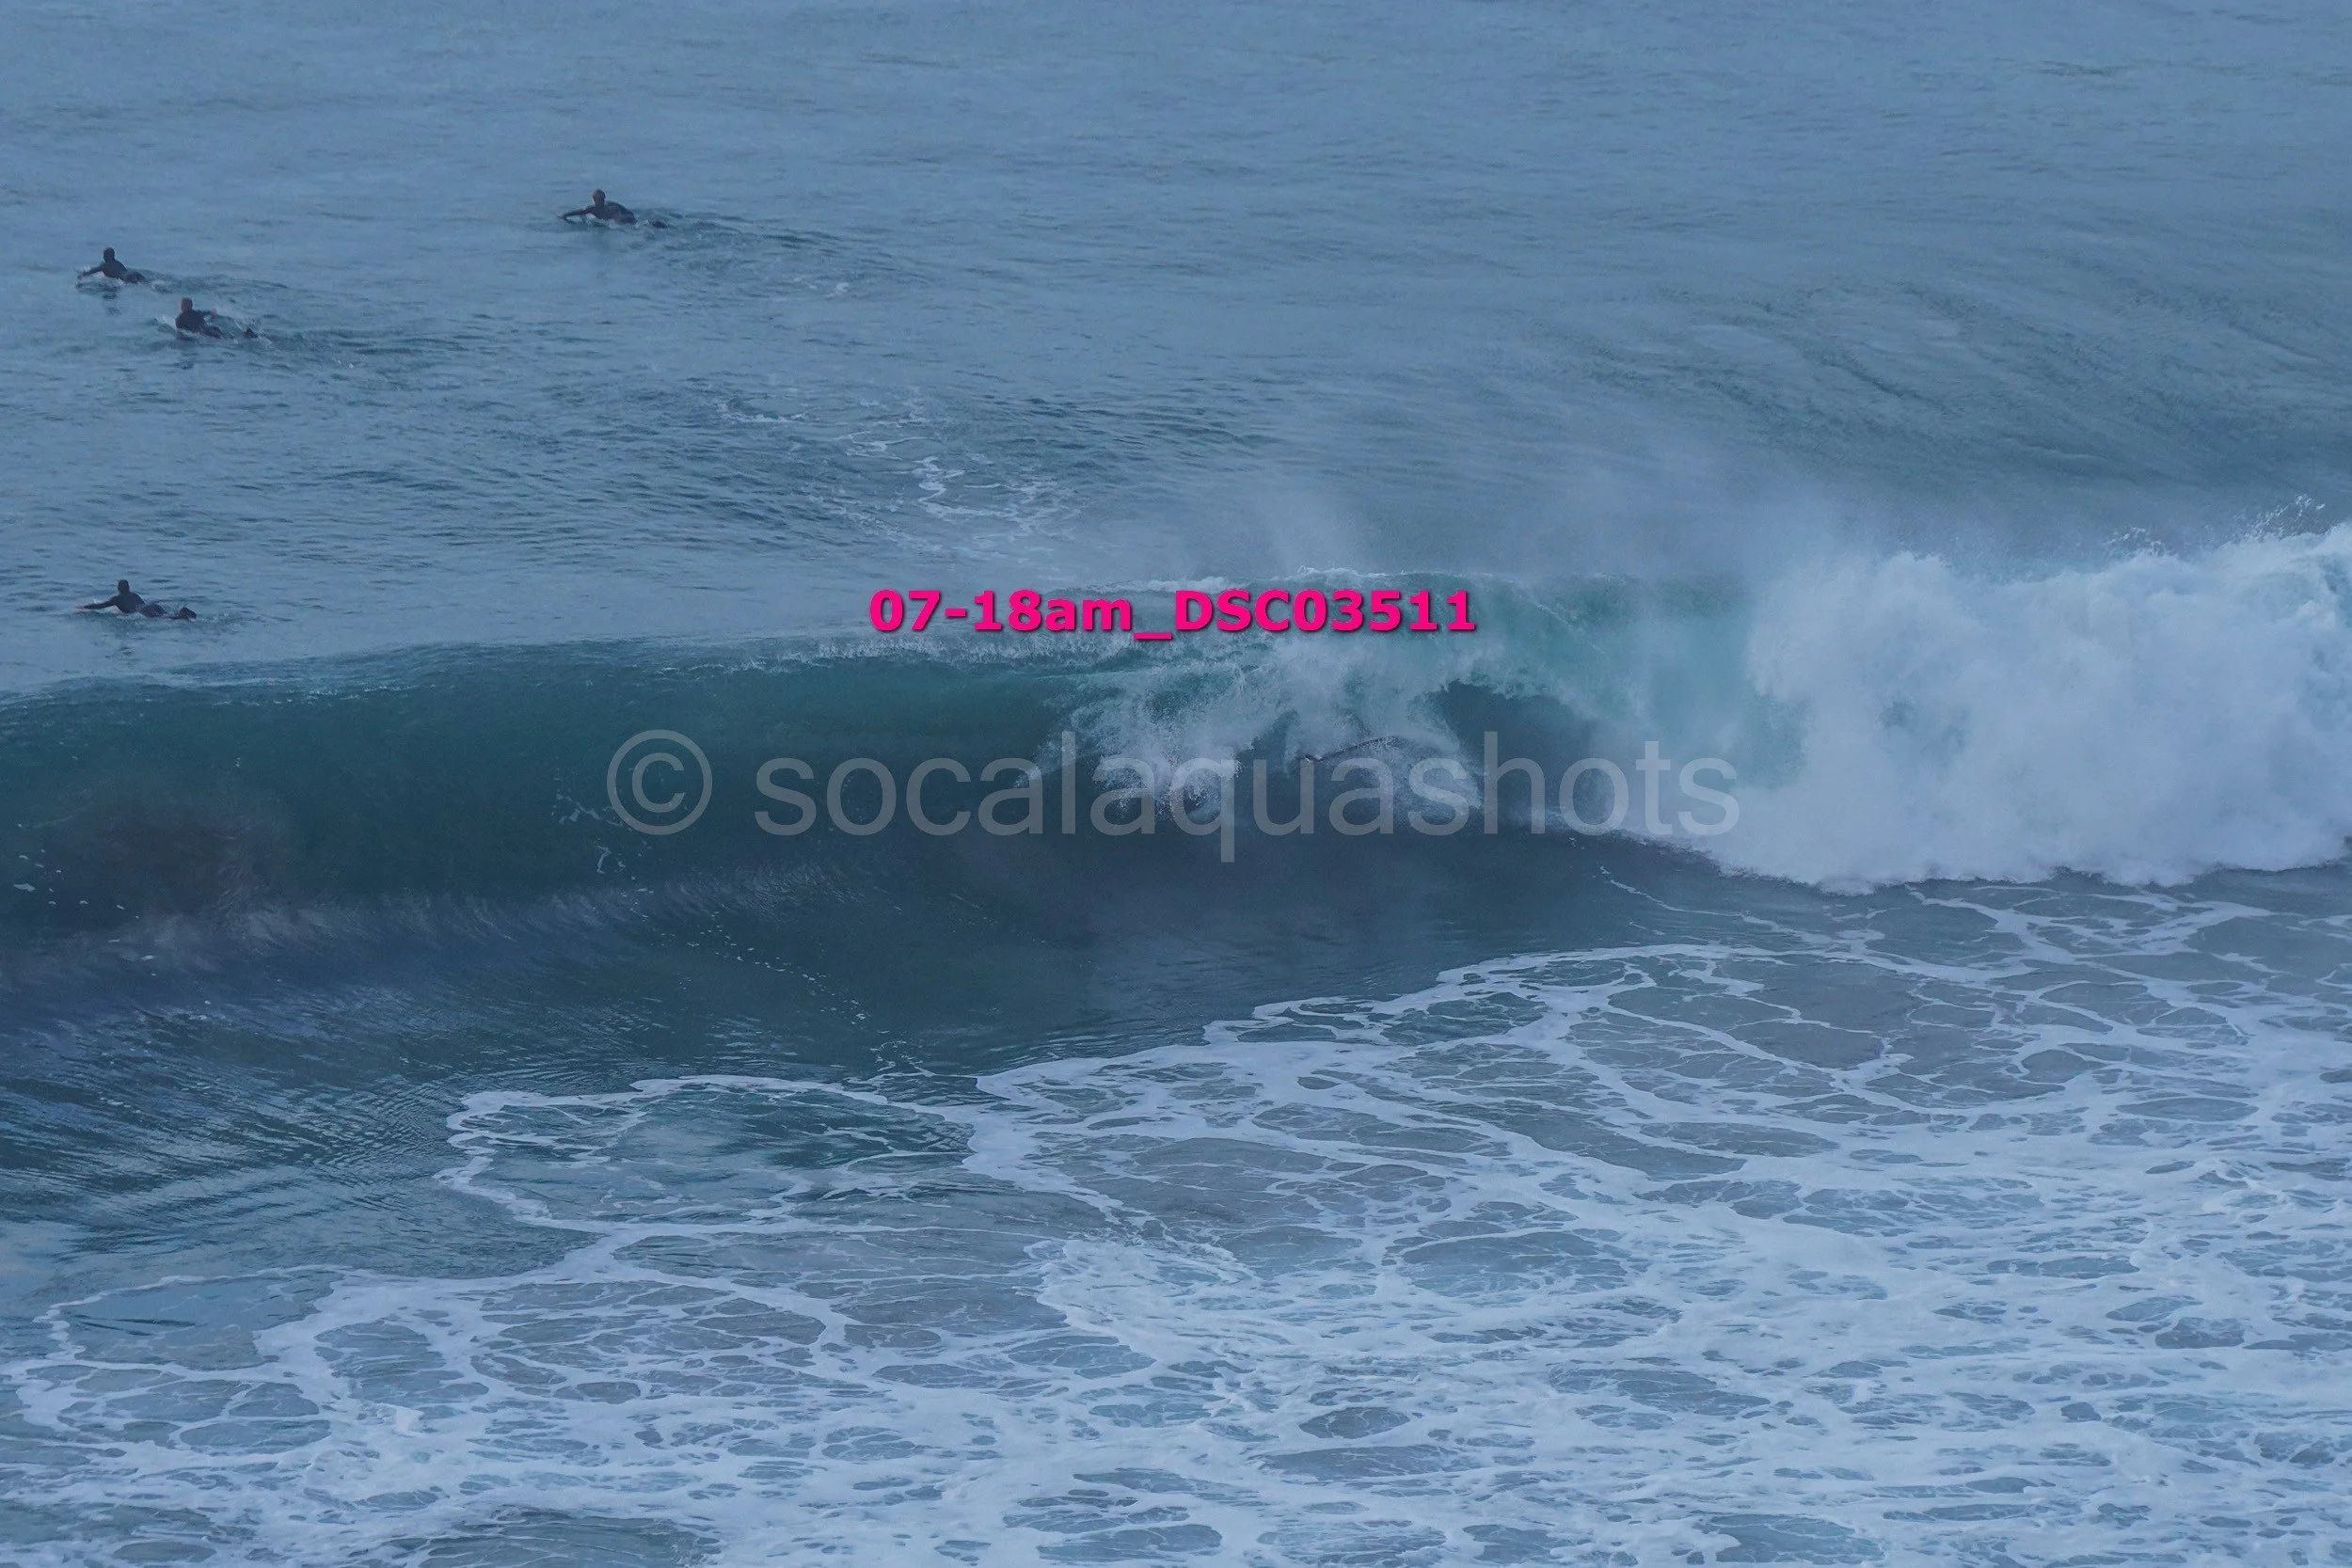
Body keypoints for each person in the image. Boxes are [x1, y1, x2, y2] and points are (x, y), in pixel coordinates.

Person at [81, 580, 196, 619]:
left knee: (163, 619)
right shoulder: (133, 594)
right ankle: (182, 613)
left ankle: (182, 615)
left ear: (118, 589)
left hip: (144, 611)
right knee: (167, 615)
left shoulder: (117, 598)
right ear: (128, 587)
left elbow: (101, 606)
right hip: (151, 606)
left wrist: (83, 607)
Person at [562, 189, 636, 225]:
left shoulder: (593, 209)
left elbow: (577, 212)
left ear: (594, 199)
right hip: (627, 218)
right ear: (604, 198)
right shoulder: (613, 204)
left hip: (615, 223)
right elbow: (629, 213)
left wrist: (564, 215)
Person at [78, 247, 147, 284]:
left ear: (105, 256)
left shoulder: (104, 266)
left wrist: (82, 274)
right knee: (147, 284)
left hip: (125, 278)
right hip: (134, 273)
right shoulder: (118, 263)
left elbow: (93, 271)